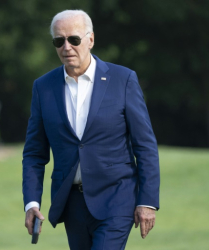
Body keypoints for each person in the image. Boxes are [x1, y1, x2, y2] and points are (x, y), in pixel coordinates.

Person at [22, 9, 160, 250]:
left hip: (116, 198)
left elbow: (145, 145)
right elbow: (34, 154)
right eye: (59, 41)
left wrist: (147, 201)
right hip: (71, 202)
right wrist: (32, 202)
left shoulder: (123, 80)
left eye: (74, 39)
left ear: (91, 39)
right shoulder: (43, 87)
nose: (67, 47)